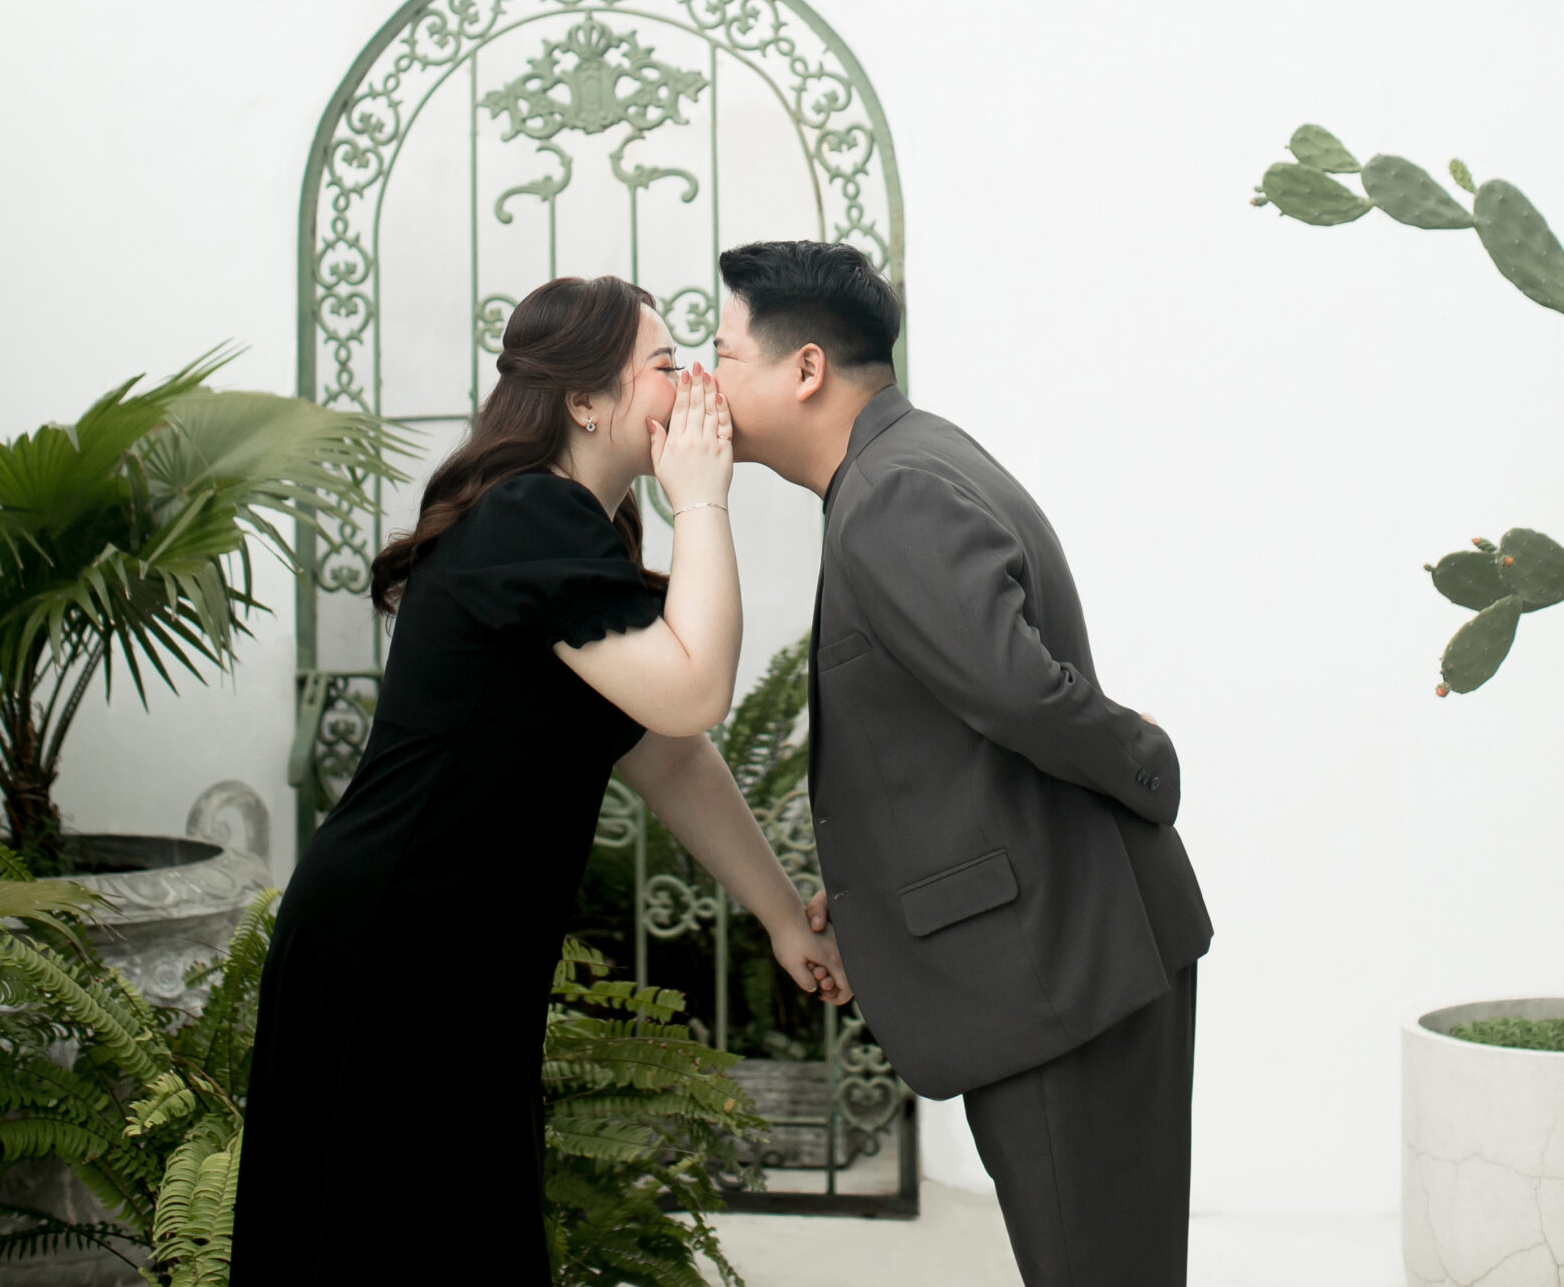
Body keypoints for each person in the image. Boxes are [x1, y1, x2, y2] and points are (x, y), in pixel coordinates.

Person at [229, 272, 849, 1287]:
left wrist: (783, 915)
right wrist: (701, 498)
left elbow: (666, 749)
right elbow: (697, 693)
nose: (691, 382)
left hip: (460, 949)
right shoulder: (527, 516)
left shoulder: (573, 529)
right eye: (665, 363)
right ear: (585, 400)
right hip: (398, 938)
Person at [712, 239, 1211, 1287]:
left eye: (721, 353)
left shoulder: (892, 492)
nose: (705, 383)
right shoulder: (904, 462)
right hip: (1068, 952)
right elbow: (947, 742)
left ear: (805, 368)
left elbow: (1016, 691)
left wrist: (1147, 759)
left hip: (1061, 968)